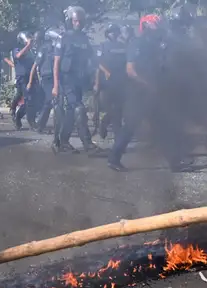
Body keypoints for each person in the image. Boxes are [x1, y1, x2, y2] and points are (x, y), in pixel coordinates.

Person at [107, 14, 194, 172]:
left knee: (163, 126)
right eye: (156, 25)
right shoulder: (137, 43)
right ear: (146, 26)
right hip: (138, 93)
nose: (159, 28)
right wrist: (147, 84)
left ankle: (175, 162)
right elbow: (130, 70)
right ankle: (113, 159)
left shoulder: (156, 45)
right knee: (130, 127)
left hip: (153, 93)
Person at [53, 6, 105, 155]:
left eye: (81, 21)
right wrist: (55, 85)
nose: (78, 23)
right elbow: (56, 62)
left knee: (71, 113)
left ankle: (62, 142)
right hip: (66, 79)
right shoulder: (63, 38)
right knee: (79, 108)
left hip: (79, 80)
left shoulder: (84, 38)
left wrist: (96, 81)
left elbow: (92, 60)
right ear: (70, 21)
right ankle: (88, 144)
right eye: (75, 21)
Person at [95, 24, 127, 139]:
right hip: (106, 82)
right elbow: (97, 63)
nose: (113, 33)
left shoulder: (122, 46)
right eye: (111, 31)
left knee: (119, 108)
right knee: (110, 108)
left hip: (120, 81)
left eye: (115, 31)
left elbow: (127, 62)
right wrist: (98, 81)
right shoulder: (103, 46)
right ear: (107, 33)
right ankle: (105, 125)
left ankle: (117, 134)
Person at [11, 31, 37, 130]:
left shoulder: (31, 51)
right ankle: (25, 119)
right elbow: (18, 56)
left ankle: (21, 116)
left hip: (31, 77)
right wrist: (28, 45)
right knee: (28, 99)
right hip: (22, 78)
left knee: (35, 99)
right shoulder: (17, 49)